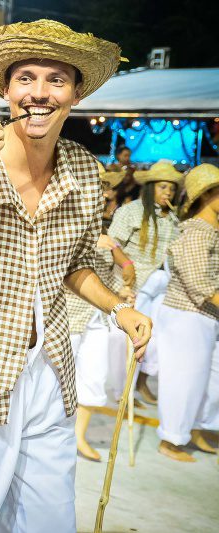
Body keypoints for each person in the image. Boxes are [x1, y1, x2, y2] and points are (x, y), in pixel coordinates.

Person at [0, 20, 152, 532]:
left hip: (49, 371)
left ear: (75, 94)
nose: (39, 93)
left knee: (47, 517)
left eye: (56, 80)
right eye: (27, 78)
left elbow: (78, 264)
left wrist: (119, 307)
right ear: (6, 90)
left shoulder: (84, 170)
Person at [66, 162, 135, 461]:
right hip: (68, 311)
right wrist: (95, 244)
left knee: (94, 376)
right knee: (56, 378)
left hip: (96, 315)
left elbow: (109, 269)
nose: (103, 192)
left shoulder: (103, 225)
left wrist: (120, 291)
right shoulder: (64, 218)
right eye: (96, 184)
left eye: (103, 186)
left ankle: (78, 437)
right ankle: (55, 435)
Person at [155, 163, 219, 462]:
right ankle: (171, 439)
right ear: (209, 195)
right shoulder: (197, 232)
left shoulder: (209, 231)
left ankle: (195, 429)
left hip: (204, 316)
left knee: (207, 379)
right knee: (184, 379)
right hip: (187, 316)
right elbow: (199, 284)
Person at [109, 159, 182, 405]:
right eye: (162, 187)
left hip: (164, 284)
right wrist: (126, 270)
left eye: (171, 188)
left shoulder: (173, 218)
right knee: (133, 339)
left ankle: (141, 384)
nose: (168, 193)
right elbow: (113, 244)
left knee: (158, 339)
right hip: (137, 283)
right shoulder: (131, 211)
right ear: (151, 187)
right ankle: (124, 393)